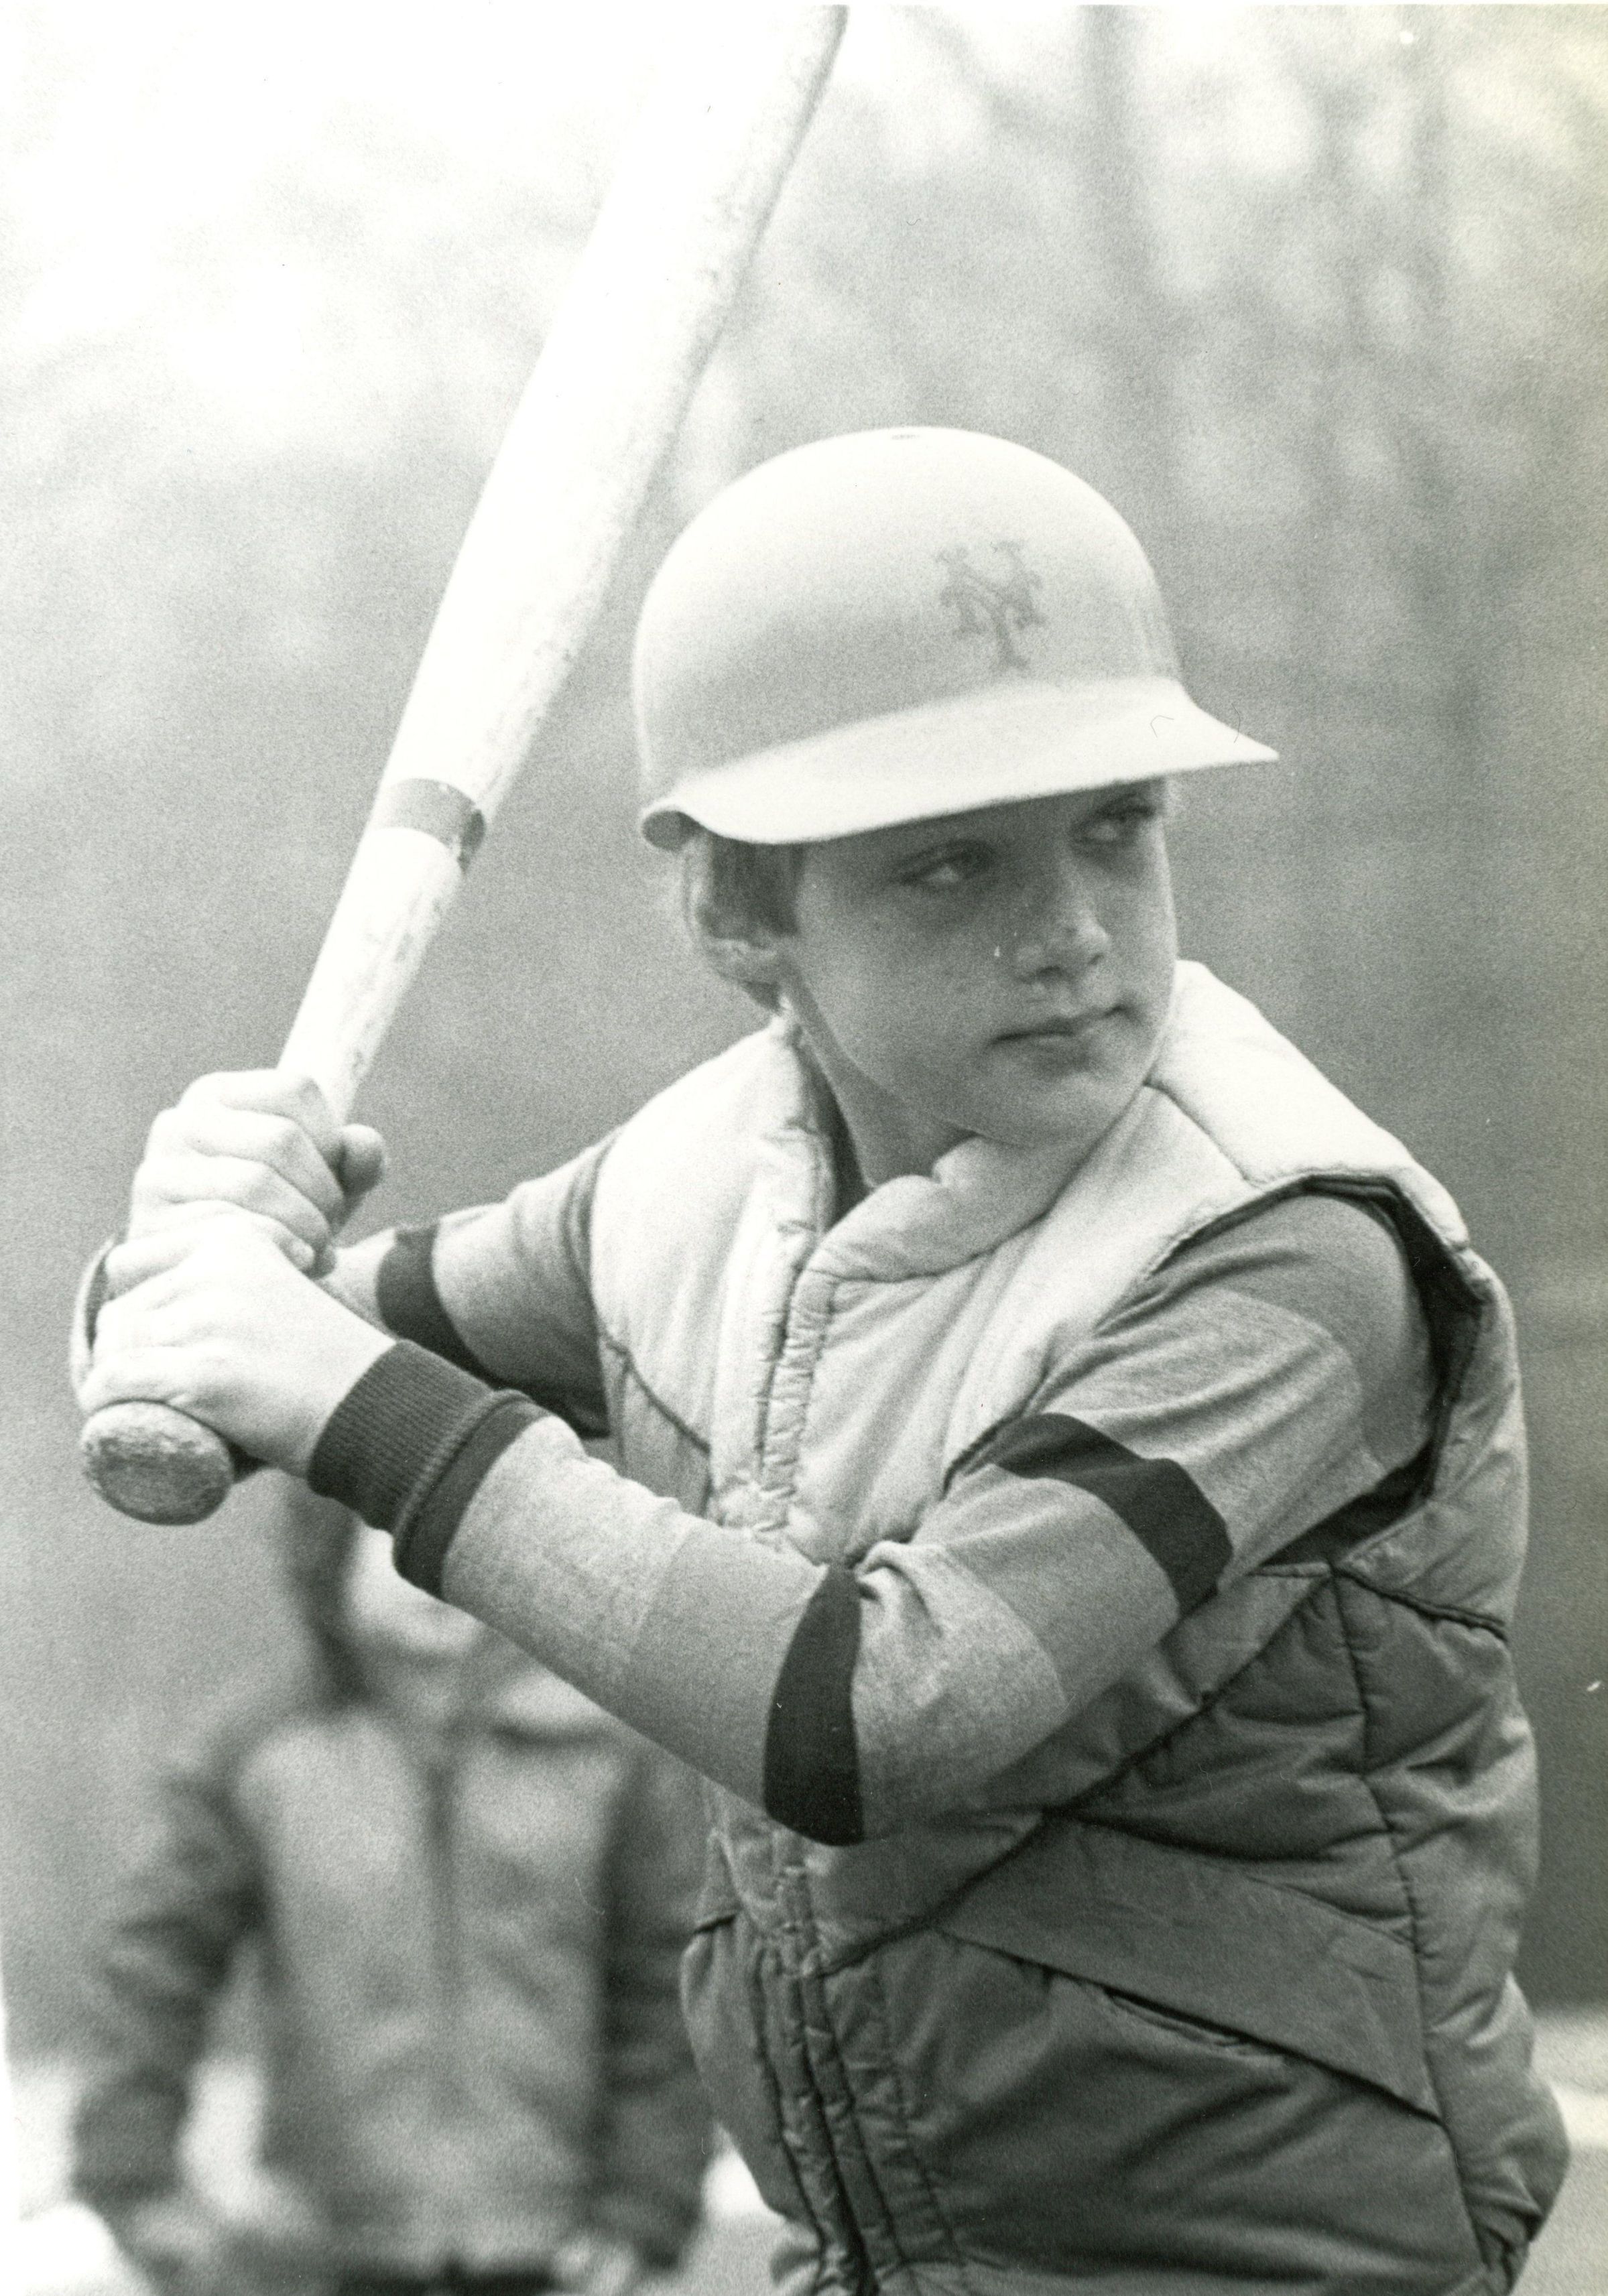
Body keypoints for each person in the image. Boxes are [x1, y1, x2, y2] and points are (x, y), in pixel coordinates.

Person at [78, 428, 1568, 2295]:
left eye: (1116, 825)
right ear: (736, 909)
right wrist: (184, 1233)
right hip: (876, 2243)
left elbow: (874, 1720)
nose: (1073, 934)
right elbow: (229, 1357)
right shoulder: (685, 1183)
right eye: (948, 865)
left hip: (1263, 2260)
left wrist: (329, 1382)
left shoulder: (1285, 1256)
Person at [69, 1480, 711, 2296]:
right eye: (393, 1530)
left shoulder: (610, 1754)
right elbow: (150, 1967)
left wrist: (644, 2209)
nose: (431, 1567)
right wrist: (137, 2182)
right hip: (322, 2254)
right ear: (330, 1551)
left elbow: (666, 1988)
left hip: (556, 2253)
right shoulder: (257, 1748)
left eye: (460, 1534)